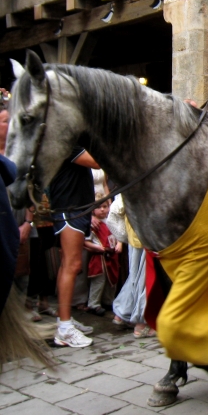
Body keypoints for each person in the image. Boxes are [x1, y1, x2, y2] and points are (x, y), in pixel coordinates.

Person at [50, 147, 99, 348]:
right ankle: (65, 329)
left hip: (74, 208)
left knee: (68, 265)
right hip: (69, 209)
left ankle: (65, 318)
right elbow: (96, 161)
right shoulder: (69, 143)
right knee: (72, 265)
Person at [112, 194, 154, 338]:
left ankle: (122, 312)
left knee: (136, 276)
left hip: (135, 231)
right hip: (145, 232)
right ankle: (141, 323)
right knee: (145, 278)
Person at [84, 196, 121, 316]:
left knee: (112, 280)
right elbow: (86, 242)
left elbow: (119, 235)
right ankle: (93, 304)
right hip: (100, 257)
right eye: (99, 207)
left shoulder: (111, 221)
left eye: (105, 206)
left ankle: (108, 300)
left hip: (112, 255)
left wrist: (119, 244)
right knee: (99, 281)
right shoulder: (94, 225)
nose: (102, 210)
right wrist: (98, 248)